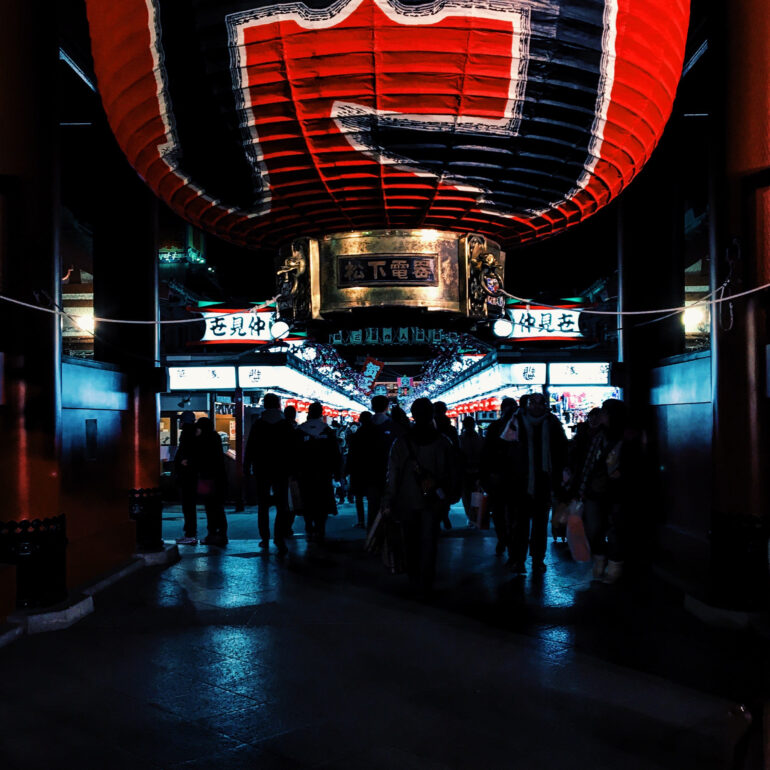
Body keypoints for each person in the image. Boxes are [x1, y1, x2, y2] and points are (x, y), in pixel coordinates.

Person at [381, 398, 454, 598]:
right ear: (431, 415)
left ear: (413, 415)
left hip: (407, 500)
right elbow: (450, 473)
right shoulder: (443, 442)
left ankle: (414, 578)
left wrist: (389, 499)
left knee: (411, 541)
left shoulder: (401, 443)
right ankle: (427, 581)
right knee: (429, 542)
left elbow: (392, 474)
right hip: (433, 501)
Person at [577, 399, 637, 583]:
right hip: (596, 490)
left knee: (615, 530)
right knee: (594, 529)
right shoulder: (596, 436)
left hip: (618, 491)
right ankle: (600, 561)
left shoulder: (628, 437)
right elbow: (585, 462)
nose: (600, 415)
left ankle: (614, 566)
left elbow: (637, 464)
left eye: (604, 412)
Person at [508, 392, 568, 574]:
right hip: (521, 480)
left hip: (543, 480)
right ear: (526, 405)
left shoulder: (552, 424)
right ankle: (519, 559)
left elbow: (562, 451)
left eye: (539, 403)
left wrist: (559, 479)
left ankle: (537, 559)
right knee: (521, 524)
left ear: (544, 405)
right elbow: (505, 450)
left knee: (540, 524)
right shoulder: (515, 422)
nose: (535, 407)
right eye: (532, 403)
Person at [244, 393, 297, 555]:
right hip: (282, 469)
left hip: (262, 469)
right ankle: (279, 538)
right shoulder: (286, 425)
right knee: (282, 505)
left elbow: (250, 447)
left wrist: (247, 467)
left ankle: (265, 538)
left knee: (263, 504)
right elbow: (293, 449)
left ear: (265, 405)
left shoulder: (258, 424)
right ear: (279, 405)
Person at [480, 397, 519, 557]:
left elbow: (486, 453)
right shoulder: (519, 428)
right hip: (511, 476)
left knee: (500, 512)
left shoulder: (495, 427)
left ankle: (504, 538)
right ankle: (507, 539)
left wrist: (485, 476)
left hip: (499, 476)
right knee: (509, 511)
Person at [298, 402, 342, 542]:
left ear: (309, 413)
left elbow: (293, 453)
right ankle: (320, 527)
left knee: (307, 499)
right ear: (321, 413)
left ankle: (308, 525)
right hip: (324, 473)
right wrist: (337, 472)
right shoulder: (328, 431)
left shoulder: (299, 431)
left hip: (304, 473)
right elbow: (335, 454)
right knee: (322, 500)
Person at [193, 417, 228, 546]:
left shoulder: (202, 440)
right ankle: (222, 534)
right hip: (219, 478)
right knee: (218, 507)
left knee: (210, 507)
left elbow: (198, 458)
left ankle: (212, 533)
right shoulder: (216, 437)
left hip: (207, 478)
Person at [346, 411, 378, 528]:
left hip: (358, 470)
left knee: (359, 497)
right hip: (373, 469)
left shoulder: (357, 435)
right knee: (372, 497)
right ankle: (373, 521)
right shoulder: (377, 432)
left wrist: (347, 470)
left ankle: (361, 521)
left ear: (360, 420)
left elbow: (351, 454)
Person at [433, 401, 460, 530]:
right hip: (448, 468)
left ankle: (437, 518)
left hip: (432, 466)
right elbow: (457, 448)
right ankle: (444, 514)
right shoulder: (451, 429)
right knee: (446, 492)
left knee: (433, 493)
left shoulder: (430, 428)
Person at [174, 411, 199, 544]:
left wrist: (184, 461)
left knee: (188, 505)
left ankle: (190, 534)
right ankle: (190, 533)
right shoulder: (195, 433)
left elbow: (184, 452)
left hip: (187, 475)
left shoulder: (186, 433)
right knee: (190, 505)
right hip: (193, 475)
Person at [459, 417, 484, 526]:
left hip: (464, 471)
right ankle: (475, 516)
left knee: (466, 495)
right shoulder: (480, 439)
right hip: (478, 471)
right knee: (476, 494)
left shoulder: (460, 440)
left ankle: (471, 516)